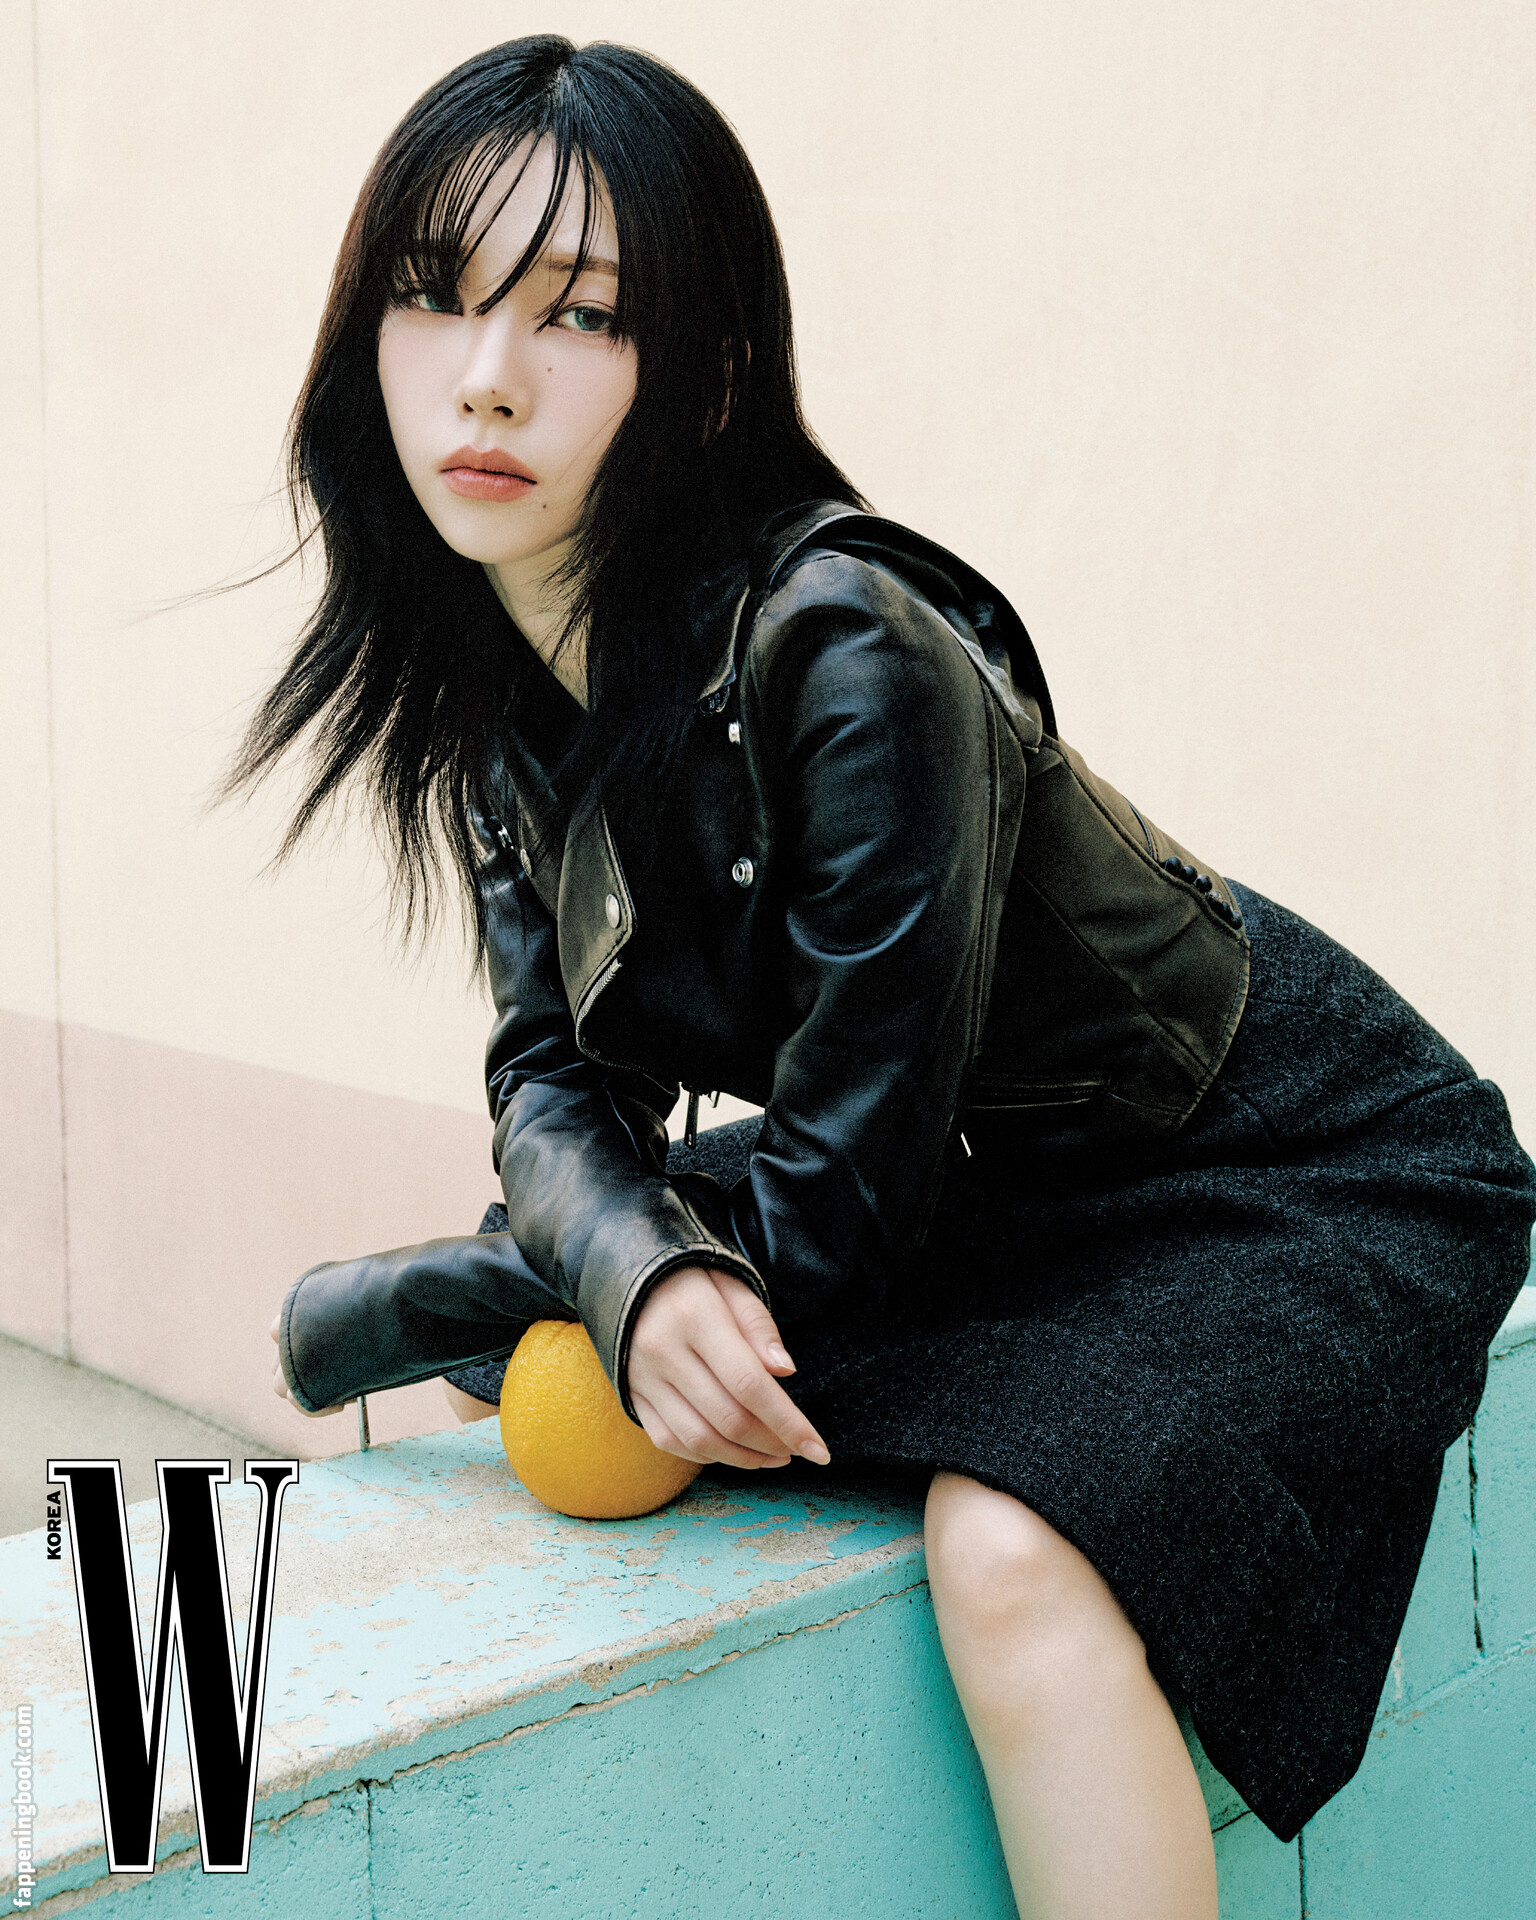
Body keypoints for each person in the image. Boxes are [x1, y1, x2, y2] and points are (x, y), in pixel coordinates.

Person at [247, 35, 1536, 1920]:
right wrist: (623, 1256)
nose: (489, 373)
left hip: (1293, 1161)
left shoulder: (847, 643)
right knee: (600, 1329)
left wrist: (466, 1285)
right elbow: (550, 1078)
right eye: (434, 294)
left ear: (703, 372)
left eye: (583, 314)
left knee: (1010, 1547)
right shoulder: (506, 690)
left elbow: (839, 1211)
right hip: (982, 1180)